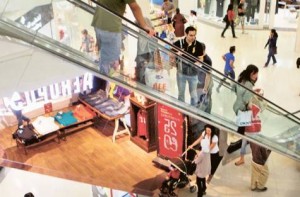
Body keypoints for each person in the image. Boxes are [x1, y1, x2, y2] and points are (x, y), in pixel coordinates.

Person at [91, 0, 155, 75]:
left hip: (98, 23)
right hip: (110, 28)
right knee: (110, 64)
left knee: (106, 59)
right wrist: (144, 26)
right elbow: (135, 7)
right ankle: (103, 81)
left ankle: (103, 78)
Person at [232, 64, 259, 166]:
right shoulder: (249, 85)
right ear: (252, 73)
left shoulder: (242, 79)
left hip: (236, 107)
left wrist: (251, 92)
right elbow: (247, 102)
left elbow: (235, 88)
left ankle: (243, 155)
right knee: (245, 136)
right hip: (243, 112)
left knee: (244, 135)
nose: (257, 76)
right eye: (256, 74)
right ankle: (242, 158)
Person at [173, 26, 205, 106]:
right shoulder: (178, 43)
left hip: (193, 74)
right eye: (191, 35)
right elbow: (170, 53)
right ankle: (181, 111)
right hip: (181, 73)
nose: (193, 37)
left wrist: (196, 64)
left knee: (193, 95)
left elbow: (201, 59)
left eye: (194, 35)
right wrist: (177, 53)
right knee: (181, 94)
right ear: (185, 34)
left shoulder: (198, 45)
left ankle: (192, 112)